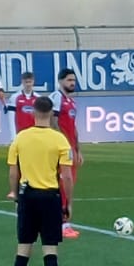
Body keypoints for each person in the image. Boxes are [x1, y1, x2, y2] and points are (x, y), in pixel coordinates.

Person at [7, 95, 74, 266]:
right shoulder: (59, 140)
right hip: (50, 198)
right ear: (51, 113)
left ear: (33, 112)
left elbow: (13, 172)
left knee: (23, 249)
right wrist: (68, 203)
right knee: (50, 249)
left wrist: (16, 196)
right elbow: (66, 176)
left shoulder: (21, 138)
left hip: (27, 197)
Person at [54, 68, 84, 239]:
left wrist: (78, 149)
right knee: (63, 184)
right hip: (62, 149)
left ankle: (64, 223)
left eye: (73, 80)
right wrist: (63, 145)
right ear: (60, 81)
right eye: (69, 80)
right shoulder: (56, 98)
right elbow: (53, 122)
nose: (72, 83)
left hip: (71, 149)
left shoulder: (71, 102)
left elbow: (73, 127)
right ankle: (62, 224)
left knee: (69, 184)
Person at [4, 71, 41, 198]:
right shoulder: (15, 98)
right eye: (26, 82)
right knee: (17, 164)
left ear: (33, 82)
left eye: (30, 82)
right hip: (20, 136)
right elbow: (11, 117)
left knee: (34, 163)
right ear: (22, 82)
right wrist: (13, 136)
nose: (28, 84)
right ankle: (15, 190)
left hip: (34, 137)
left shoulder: (38, 98)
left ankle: (34, 186)